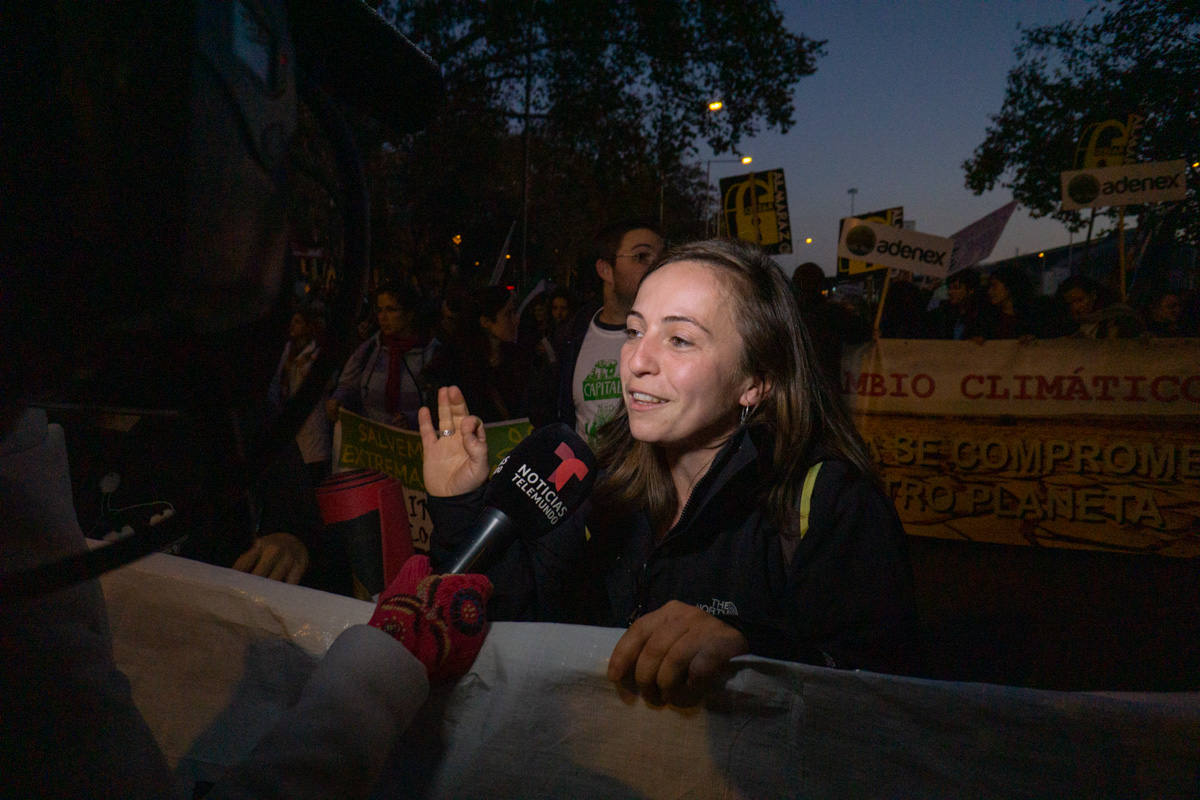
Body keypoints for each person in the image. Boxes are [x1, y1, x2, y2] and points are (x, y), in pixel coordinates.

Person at [422, 239, 918, 707]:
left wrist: (752, 652)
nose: (637, 360)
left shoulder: (827, 503)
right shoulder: (597, 490)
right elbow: (522, 633)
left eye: (680, 340)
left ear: (755, 382)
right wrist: (461, 507)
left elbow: (884, 697)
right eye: (635, 331)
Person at [530, 219, 665, 441]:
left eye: (661, 258)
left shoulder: (671, 339)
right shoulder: (569, 338)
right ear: (605, 270)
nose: (656, 267)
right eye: (641, 256)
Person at [327, 283, 437, 429]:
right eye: (379, 310)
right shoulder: (369, 349)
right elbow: (348, 385)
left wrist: (413, 420)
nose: (383, 317)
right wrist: (338, 399)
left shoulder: (431, 353)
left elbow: (441, 409)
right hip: (372, 441)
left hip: (414, 444)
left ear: (409, 314)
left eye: (391, 310)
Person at [422, 285, 530, 422]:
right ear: (485, 322)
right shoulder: (455, 365)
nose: (516, 320)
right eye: (508, 314)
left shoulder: (517, 359)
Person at [1056, 274, 1143, 339]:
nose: (1076, 307)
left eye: (1080, 300)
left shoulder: (1119, 317)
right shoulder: (1078, 322)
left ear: (1093, 295)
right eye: (1071, 303)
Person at [970, 264, 1037, 341]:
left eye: (994, 286)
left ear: (1009, 287)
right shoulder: (987, 319)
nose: (989, 292)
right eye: (989, 287)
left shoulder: (1030, 319)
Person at [925, 269, 982, 340]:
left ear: (970, 290)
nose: (950, 292)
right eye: (949, 288)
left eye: (956, 288)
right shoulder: (944, 312)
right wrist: (929, 290)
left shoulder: (980, 314)